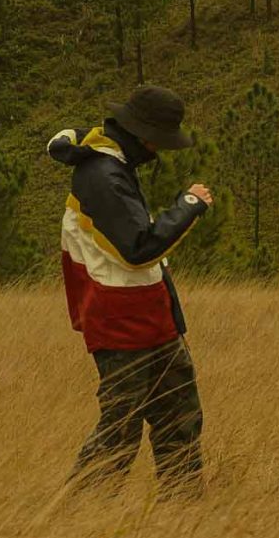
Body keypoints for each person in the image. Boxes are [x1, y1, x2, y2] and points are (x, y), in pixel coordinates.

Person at [47, 86, 215, 498]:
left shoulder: (113, 160)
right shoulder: (104, 175)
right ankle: (76, 519)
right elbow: (139, 249)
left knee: (180, 416)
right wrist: (190, 204)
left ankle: (185, 511)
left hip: (148, 316)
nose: (161, 151)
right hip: (121, 322)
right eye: (160, 142)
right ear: (143, 136)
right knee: (120, 430)